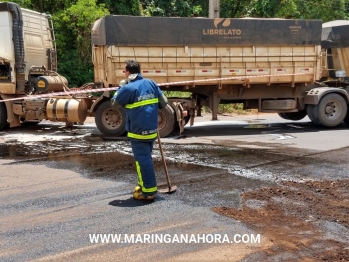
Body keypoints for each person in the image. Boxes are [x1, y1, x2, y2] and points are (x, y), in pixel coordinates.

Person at [111, 60, 168, 201]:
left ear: (128, 72)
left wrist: (120, 88)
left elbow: (114, 104)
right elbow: (164, 103)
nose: (124, 73)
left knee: (142, 160)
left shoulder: (128, 89)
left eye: (124, 71)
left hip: (138, 131)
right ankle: (144, 185)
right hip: (152, 129)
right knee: (145, 158)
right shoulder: (151, 83)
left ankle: (148, 192)